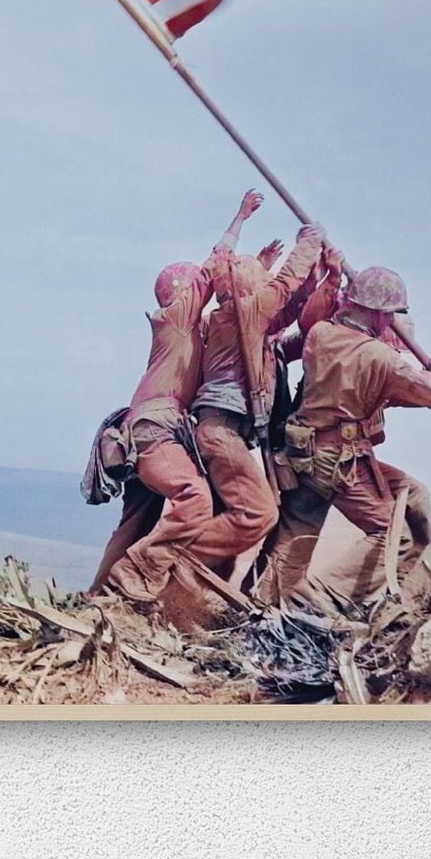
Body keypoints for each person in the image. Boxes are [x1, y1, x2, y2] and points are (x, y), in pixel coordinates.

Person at [258, 265, 431, 608]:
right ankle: (318, 601)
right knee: (394, 535)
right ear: (376, 312)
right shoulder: (379, 357)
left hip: (303, 452)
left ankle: (265, 603)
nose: (391, 321)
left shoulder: (321, 334)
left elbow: (380, 390)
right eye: (389, 314)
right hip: (338, 461)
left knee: (298, 533)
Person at [96, 192, 259, 603]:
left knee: (136, 522)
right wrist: (239, 219)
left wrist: (262, 267)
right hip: (155, 430)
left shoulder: (186, 332)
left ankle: (99, 596)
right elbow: (213, 267)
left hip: (144, 431)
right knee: (194, 498)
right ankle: (136, 575)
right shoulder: (175, 319)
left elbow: (238, 300)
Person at [184, 219, 340, 576]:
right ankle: (168, 562)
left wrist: (320, 279)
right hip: (221, 431)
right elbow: (284, 287)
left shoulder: (247, 326)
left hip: (226, 432)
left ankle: (194, 584)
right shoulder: (242, 314)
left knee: (232, 517)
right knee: (259, 512)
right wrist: (309, 241)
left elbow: (290, 311)